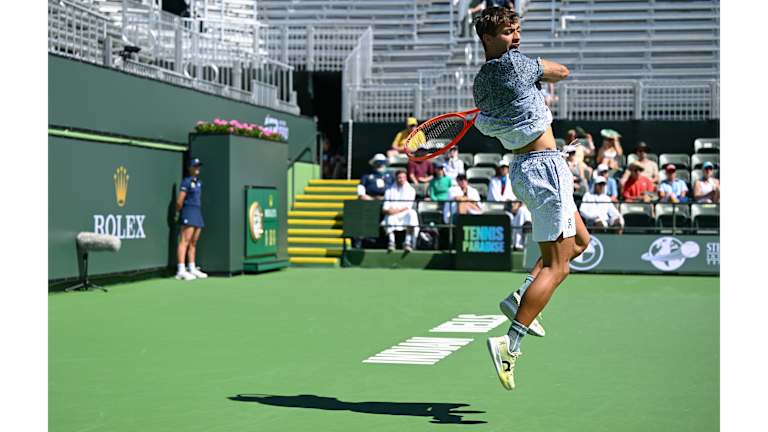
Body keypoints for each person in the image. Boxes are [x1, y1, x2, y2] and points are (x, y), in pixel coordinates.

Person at [471, 7, 590, 390]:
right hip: (545, 170)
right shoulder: (516, 67)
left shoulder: (480, 82)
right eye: (507, 32)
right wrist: (537, 68)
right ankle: (510, 342)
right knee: (559, 268)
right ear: (488, 38)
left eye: (517, 29)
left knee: (582, 243)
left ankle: (521, 294)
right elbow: (562, 71)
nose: (515, 36)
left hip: (525, 169)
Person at [175, 158, 209, 281]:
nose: (197, 168)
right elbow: (179, 201)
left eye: (198, 166)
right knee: (184, 240)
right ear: (189, 168)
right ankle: (181, 270)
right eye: (195, 166)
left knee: (193, 242)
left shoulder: (199, 182)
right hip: (188, 211)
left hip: (197, 212)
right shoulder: (186, 182)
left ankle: (192, 268)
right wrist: (179, 212)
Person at [488, 160, 532, 250]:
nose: (504, 169)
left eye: (506, 167)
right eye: (502, 168)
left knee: (522, 212)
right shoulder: (493, 181)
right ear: (499, 169)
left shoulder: (513, 180)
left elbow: (518, 195)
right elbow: (495, 198)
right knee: (511, 216)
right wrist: (509, 203)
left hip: (513, 207)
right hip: (499, 208)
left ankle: (518, 244)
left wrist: (516, 204)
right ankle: (512, 244)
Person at [382, 170, 420, 252]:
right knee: (388, 217)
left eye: (403, 177)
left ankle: (407, 242)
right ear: (396, 179)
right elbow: (385, 206)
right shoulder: (389, 190)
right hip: (392, 213)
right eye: (399, 178)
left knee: (412, 214)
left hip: (404, 213)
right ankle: (391, 242)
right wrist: (388, 211)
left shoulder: (411, 190)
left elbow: (408, 206)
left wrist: (396, 211)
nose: (402, 179)